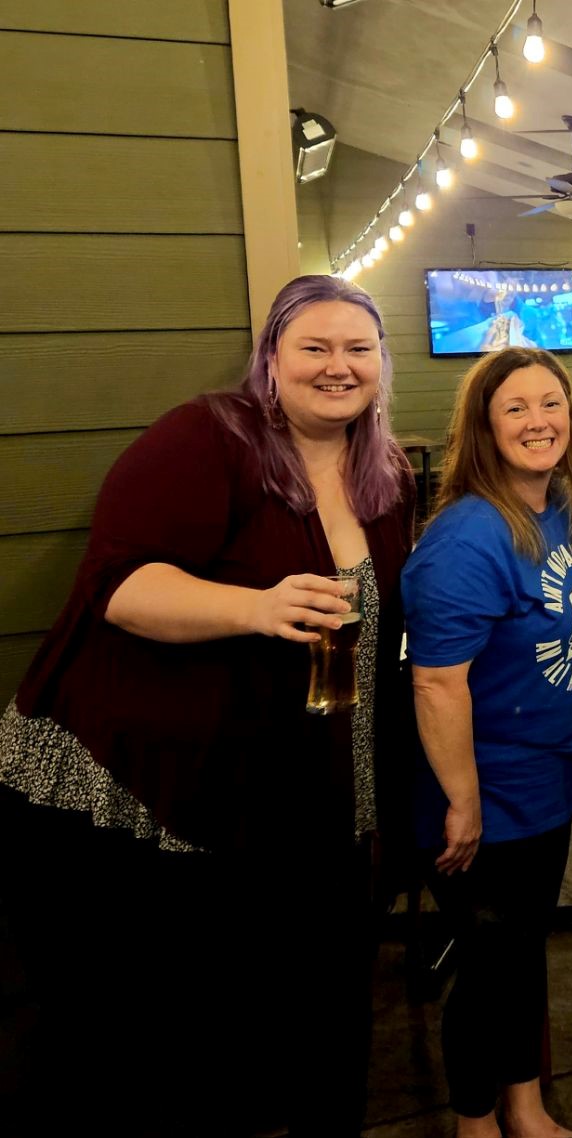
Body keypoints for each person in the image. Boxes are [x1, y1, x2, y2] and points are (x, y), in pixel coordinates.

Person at [0, 275, 415, 1136]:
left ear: (382, 364)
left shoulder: (382, 472)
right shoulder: (208, 436)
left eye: (358, 349)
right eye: (314, 347)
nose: (337, 367)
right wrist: (253, 608)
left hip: (292, 778)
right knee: (142, 1036)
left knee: (295, 1001)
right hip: (136, 784)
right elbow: (117, 586)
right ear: (270, 359)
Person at [403, 348, 572, 1138]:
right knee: (488, 972)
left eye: (549, 403)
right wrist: (463, 801)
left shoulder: (561, 508)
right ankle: (475, 1123)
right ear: (483, 428)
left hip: (546, 781)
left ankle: (525, 1106)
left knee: (519, 957)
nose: (537, 421)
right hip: (485, 794)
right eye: (515, 407)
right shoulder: (467, 537)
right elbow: (435, 683)